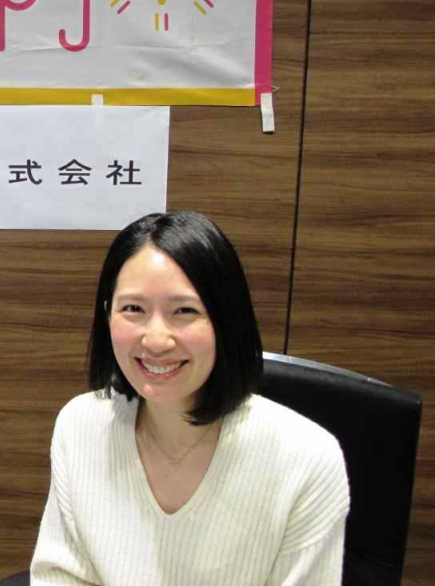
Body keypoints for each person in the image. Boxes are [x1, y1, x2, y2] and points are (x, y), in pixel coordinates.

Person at [30, 211, 349, 586]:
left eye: (184, 311)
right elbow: (59, 576)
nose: (156, 340)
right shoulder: (81, 425)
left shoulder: (307, 459)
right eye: (133, 309)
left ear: (226, 321)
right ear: (107, 315)